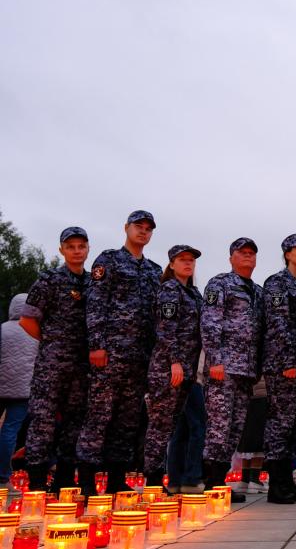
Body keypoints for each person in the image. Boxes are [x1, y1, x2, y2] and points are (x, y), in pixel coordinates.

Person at [77, 210, 161, 494]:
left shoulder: (153, 270)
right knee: (99, 416)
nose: (143, 232)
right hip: (110, 354)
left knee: (127, 419)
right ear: (126, 228)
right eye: (139, 227)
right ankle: (87, 482)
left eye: (148, 228)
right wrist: (97, 345)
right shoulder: (109, 260)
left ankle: (116, 479)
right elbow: (96, 303)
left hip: (139, 358)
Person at [18, 227, 90, 493]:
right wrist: (52, 342)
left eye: (81, 246)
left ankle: (64, 479)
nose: (76, 251)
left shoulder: (93, 282)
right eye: (70, 246)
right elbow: (27, 320)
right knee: (43, 421)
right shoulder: (49, 280)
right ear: (61, 249)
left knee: (75, 422)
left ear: (87, 249)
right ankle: (37, 480)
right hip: (52, 365)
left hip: (82, 367)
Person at [201, 237, 264, 504]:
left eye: (252, 253)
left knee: (235, 428)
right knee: (219, 426)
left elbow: (260, 333)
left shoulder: (257, 291)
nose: (248, 257)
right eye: (242, 253)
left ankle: (221, 479)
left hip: (246, 371)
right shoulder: (220, 284)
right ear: (231, 258)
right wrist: (215, 360)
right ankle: (211, 483)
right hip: (223, 369)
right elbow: (210, 322)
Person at [142, 245, 203, 490]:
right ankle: (153, 481)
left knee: (175, 426)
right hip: (169, 369)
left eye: (191, 260)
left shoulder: (193, 293)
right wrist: (174, 362)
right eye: (182, 260)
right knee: (159, 426)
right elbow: (166, 329)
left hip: (187, 370)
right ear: (172, 264)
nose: (188, 264)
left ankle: (175, 481)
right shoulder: (169, 289)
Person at [262, 234, 296, 504]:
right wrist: (287, 362)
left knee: (294, 424)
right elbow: (278, 325)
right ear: (286, 254)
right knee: (280, 424)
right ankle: (276, 485)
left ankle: (288, 480)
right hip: (284, 365)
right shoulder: (277, 283)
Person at [0, 294, 38, 492]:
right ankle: (3, 477)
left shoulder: (2, 330)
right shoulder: (35, 331)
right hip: (23, 390)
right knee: (10, 431)